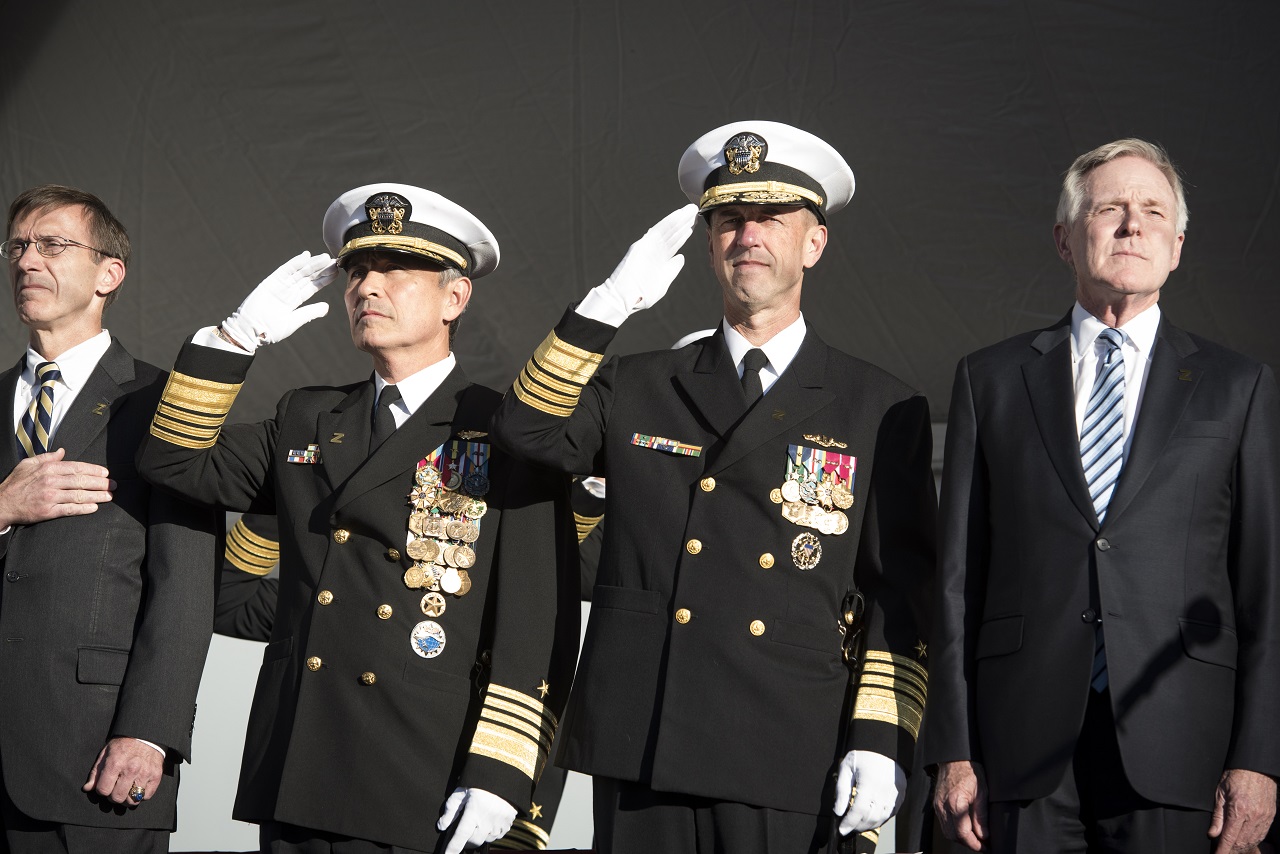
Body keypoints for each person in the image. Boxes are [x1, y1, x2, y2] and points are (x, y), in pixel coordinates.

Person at [489, 121, 937, 853]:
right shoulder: (637, 385)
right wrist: (610, 302)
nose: (747, 236)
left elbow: (900, 589)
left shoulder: (879, 405)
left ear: (814, 243)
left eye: (770, 219)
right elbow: (525, 432)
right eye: (729, 220)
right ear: (708, 244)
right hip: (647, 733)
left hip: (789, 740)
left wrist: (883, 736)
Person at [136, 184, 578, 854]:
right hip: (300, 758)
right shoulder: (308, 416)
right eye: (358, 271)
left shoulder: (505, 429)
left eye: (396, 272)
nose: (367, 286)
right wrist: (235, 339)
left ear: (454, 298)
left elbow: (535, 622)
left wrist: (502, 776)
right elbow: (170, 462)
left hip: (422, 771)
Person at [928, 138, 1280, 852]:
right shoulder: (989, 380)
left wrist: (1260, 758)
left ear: (1177, 246)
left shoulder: (1236, 387)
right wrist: (953, 747)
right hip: (1020, 748)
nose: (1132, 226)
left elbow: (1265, 585)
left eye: (1153, 212)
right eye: (1110, 209)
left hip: (1181, 743)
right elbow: (956, 581)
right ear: (1064, 238)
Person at [0, 185, 216, 852]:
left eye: (53, 245)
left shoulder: (165, 407)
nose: (28, 261)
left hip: (94, 762)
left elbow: (184, 588)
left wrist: (150, 733)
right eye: (17, 247)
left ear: (109, 273)